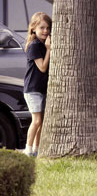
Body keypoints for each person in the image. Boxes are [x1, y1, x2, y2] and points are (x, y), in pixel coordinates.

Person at [23, 12, 52, 157]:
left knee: (42, 122)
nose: (45, 31)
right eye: (42, 28)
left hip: (42, 89)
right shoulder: (34, 45)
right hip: (32, 89)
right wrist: (48, 50)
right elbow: (42, 67)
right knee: (37, 120)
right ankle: (28, 149)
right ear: (33, 28)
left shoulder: (43, 43)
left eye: (48, 28)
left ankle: (37, 149)